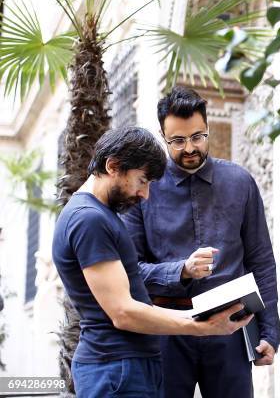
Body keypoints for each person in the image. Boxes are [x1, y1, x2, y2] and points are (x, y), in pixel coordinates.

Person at [52, 127, 252, 398]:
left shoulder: (98, 215)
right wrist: (199, 326)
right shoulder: (89, 220)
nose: (144, 194)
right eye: (142, 181)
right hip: (117, 372)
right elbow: (122, 312)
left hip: (125, 369)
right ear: (113, 166)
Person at [121, 87, 280, 398]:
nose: (190, 148)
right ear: (162, 136)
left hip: (231, 328)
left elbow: (261, 260)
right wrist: (180, 270)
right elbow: (131, 271)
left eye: (198, 137)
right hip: (166, 330)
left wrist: (270, 332)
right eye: (178, 141)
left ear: (207, 128)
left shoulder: (240, 182)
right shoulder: (143, 189)